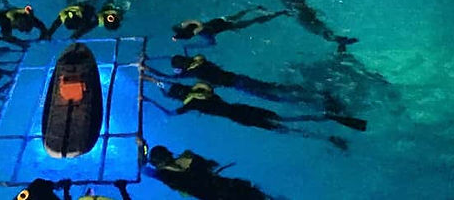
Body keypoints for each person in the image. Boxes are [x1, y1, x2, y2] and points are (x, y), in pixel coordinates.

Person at [144, 77, 365, 148]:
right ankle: (328, 116)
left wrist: (149, 99)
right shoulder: (201, 91)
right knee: (287, 120)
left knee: (287, 129)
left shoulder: (191, 104)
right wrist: (155, 80)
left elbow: (169, 114)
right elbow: (176, 86)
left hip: (241, 117)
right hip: (243, 109)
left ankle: (329, 138)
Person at [148, 54, 328, 107]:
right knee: (273, 87)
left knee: (274, 97)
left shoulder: (193, 72)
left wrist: (148, 71)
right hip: (238, 77)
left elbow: (169, 78)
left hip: (237, 84)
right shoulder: (200, 62)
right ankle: (312, 91)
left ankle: (311, 100)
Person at [146, 145, 270, 200]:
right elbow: (212, 165)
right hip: (223, 188)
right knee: (254, 194)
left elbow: (146, 171)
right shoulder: (187, 160)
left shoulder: (168, 174)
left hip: (219, 191)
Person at [268, 0, 358, 51]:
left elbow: (296, 6)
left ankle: (341, 40)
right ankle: (341, 42)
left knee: (320, 32)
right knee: (322, 29)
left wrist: (293, 12)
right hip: (309, 12)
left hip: (303, 17)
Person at [171, 6, 287, 44]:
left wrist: (211, 41)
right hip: (219, 20)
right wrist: (175, 37)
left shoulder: (198, 33)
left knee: (253, 21)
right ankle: (254, 8)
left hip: (227, 26)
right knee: (238, 15)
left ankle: (280, 13)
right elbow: (195, 22)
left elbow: (209, 37)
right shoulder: (185, 24)